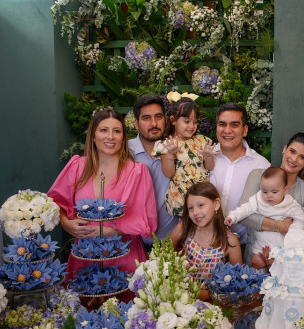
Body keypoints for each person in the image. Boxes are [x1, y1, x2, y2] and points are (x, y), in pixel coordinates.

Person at [49, 108, 157, 280]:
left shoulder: (136, 172)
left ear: (123, 137)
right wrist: (66, 223)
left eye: (117, 131)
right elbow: (55, 203)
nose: (110, 137)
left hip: (125, 255)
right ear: (93, 135)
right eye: (104, 130)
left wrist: (112, 231)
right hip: (85, 254)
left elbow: (147, 222)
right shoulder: (77, 167)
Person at [237, 132, 304, 265]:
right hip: (255, 259)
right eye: (292, 151)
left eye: (302, 157)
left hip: (289, 265)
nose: (294, 159)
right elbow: (242, 216)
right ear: (284, 149)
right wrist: (279, 226)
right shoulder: (258, 176)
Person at [209, 102, 270, 244]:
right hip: (205, 246)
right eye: (222, 124)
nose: (227, 130)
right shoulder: (204, 159)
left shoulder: (262, 166)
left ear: (245, 130)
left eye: (234, 125)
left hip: (244, 247)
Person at [224, 167, 304, 269]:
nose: (269, 196)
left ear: (285, 190)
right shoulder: (258, 199)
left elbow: (300, 219)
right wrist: (233, 217)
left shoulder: (290, 204)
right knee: (256, 261)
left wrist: (292, 232)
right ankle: (260, 277)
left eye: (274, 192)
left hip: (282, 247)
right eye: (264, 191)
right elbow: (245, 208)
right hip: (262, 244)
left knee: (281, 267)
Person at [172, 182, 242, 300]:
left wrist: (207, 294)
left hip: (211, 303)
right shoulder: (184, 229)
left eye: (200, 205)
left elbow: (237, 283)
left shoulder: (230, 241)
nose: (195, 212)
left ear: (216, 205)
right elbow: (164, 258)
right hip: (180, 298)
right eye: (191, 208)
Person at [128, 94, 178, 246]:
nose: (154, 123)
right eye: (146, 118)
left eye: (158, 117)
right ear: (136, 124)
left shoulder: (177, 149)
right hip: (133, 243)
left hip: (174, 242)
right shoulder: (124, 152)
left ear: (166, 120)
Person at [155, 98, 216, 216]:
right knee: (186, 224)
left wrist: (208, 156)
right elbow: (168, 173)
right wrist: (170, 154)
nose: (191, 126)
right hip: (181, 197)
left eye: (195, 122)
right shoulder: (168, 144)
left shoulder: (201, 141)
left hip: (202, 195)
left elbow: (210, 167)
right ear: (173, 120)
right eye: (187, 121)